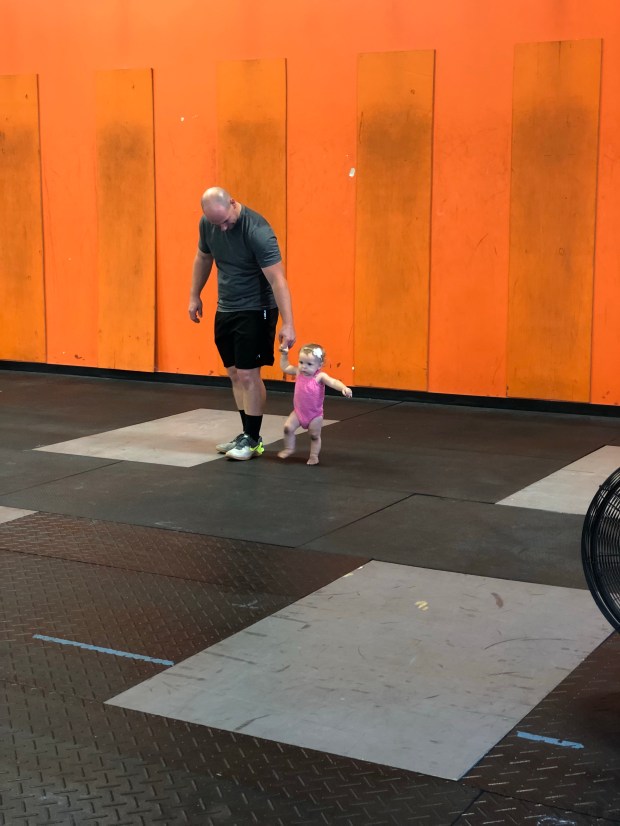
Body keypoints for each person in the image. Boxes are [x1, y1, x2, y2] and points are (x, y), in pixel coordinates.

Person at [188, 187, 296, 460]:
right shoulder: (208, 224)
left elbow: (278, 280)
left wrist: (288, 323)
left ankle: (254, 439)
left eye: (225, 221)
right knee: (235, 373)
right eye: (217, 224)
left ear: (233, 203)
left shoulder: (258, 230)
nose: (222, 228)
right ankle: (246, 434)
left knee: (249, 374)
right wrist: (194, 295)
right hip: (227, 307)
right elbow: (203, 257)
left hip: (257, 308)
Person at [278, 343, 352, 465]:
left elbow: (333, 382)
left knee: (314, 435)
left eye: (309, 364)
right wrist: (284, 354)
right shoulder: (298, 372)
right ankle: (289, 448)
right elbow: (285, 367)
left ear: (320, 365)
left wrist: (343, 388)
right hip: (298, 412)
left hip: (315, 415)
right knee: (287, 428)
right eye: (301, 362)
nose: (304, 367)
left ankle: (314, 456)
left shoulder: (320, 377)